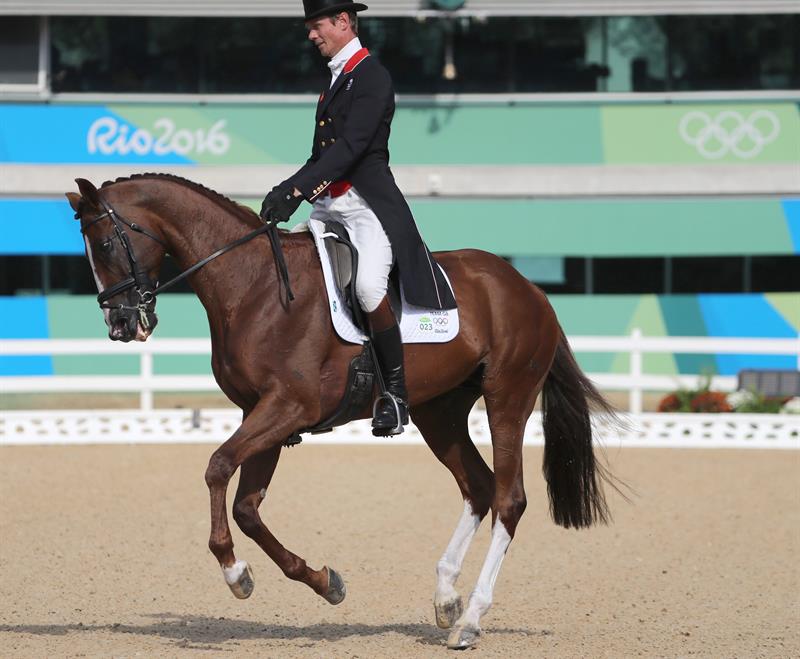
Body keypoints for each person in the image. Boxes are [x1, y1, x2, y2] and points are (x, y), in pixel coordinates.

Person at [260, 0, 456, 436]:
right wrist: (286, 188)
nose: (311, 35)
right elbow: (321, 157)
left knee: (368, 287)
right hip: (331, 205)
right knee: (288, 275)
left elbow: (350, 150)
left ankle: (396, 396)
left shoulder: (372, 77)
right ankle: (292, 393)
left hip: (367, 206)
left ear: (344, 22)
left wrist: (296, 190)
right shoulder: (336, 80)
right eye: (309, 27)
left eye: (317, 26)